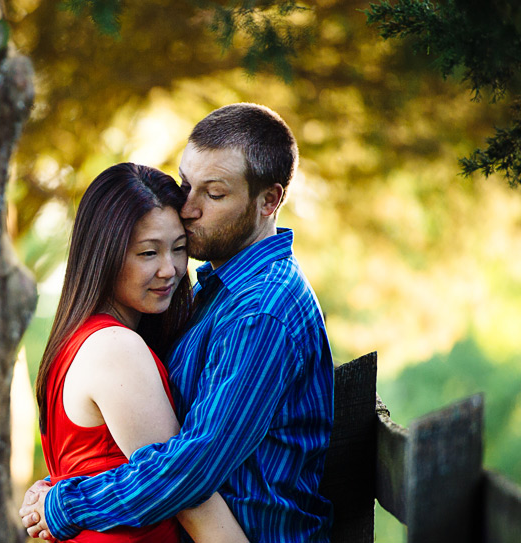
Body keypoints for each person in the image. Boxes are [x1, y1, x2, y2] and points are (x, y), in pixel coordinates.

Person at [21, 103, 335, 542]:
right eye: (187, 184)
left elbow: (194, 466)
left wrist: (66, 502)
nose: (188, 207)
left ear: (269, 200)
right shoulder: (218, 294)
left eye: (214, 194)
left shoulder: (262, 310)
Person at [32, 162, 249, 542]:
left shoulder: (80, 340)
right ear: (105, 255)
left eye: (179, 249)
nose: (170, 269)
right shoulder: (116, 348)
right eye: (149, 253)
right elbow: (189, 497)